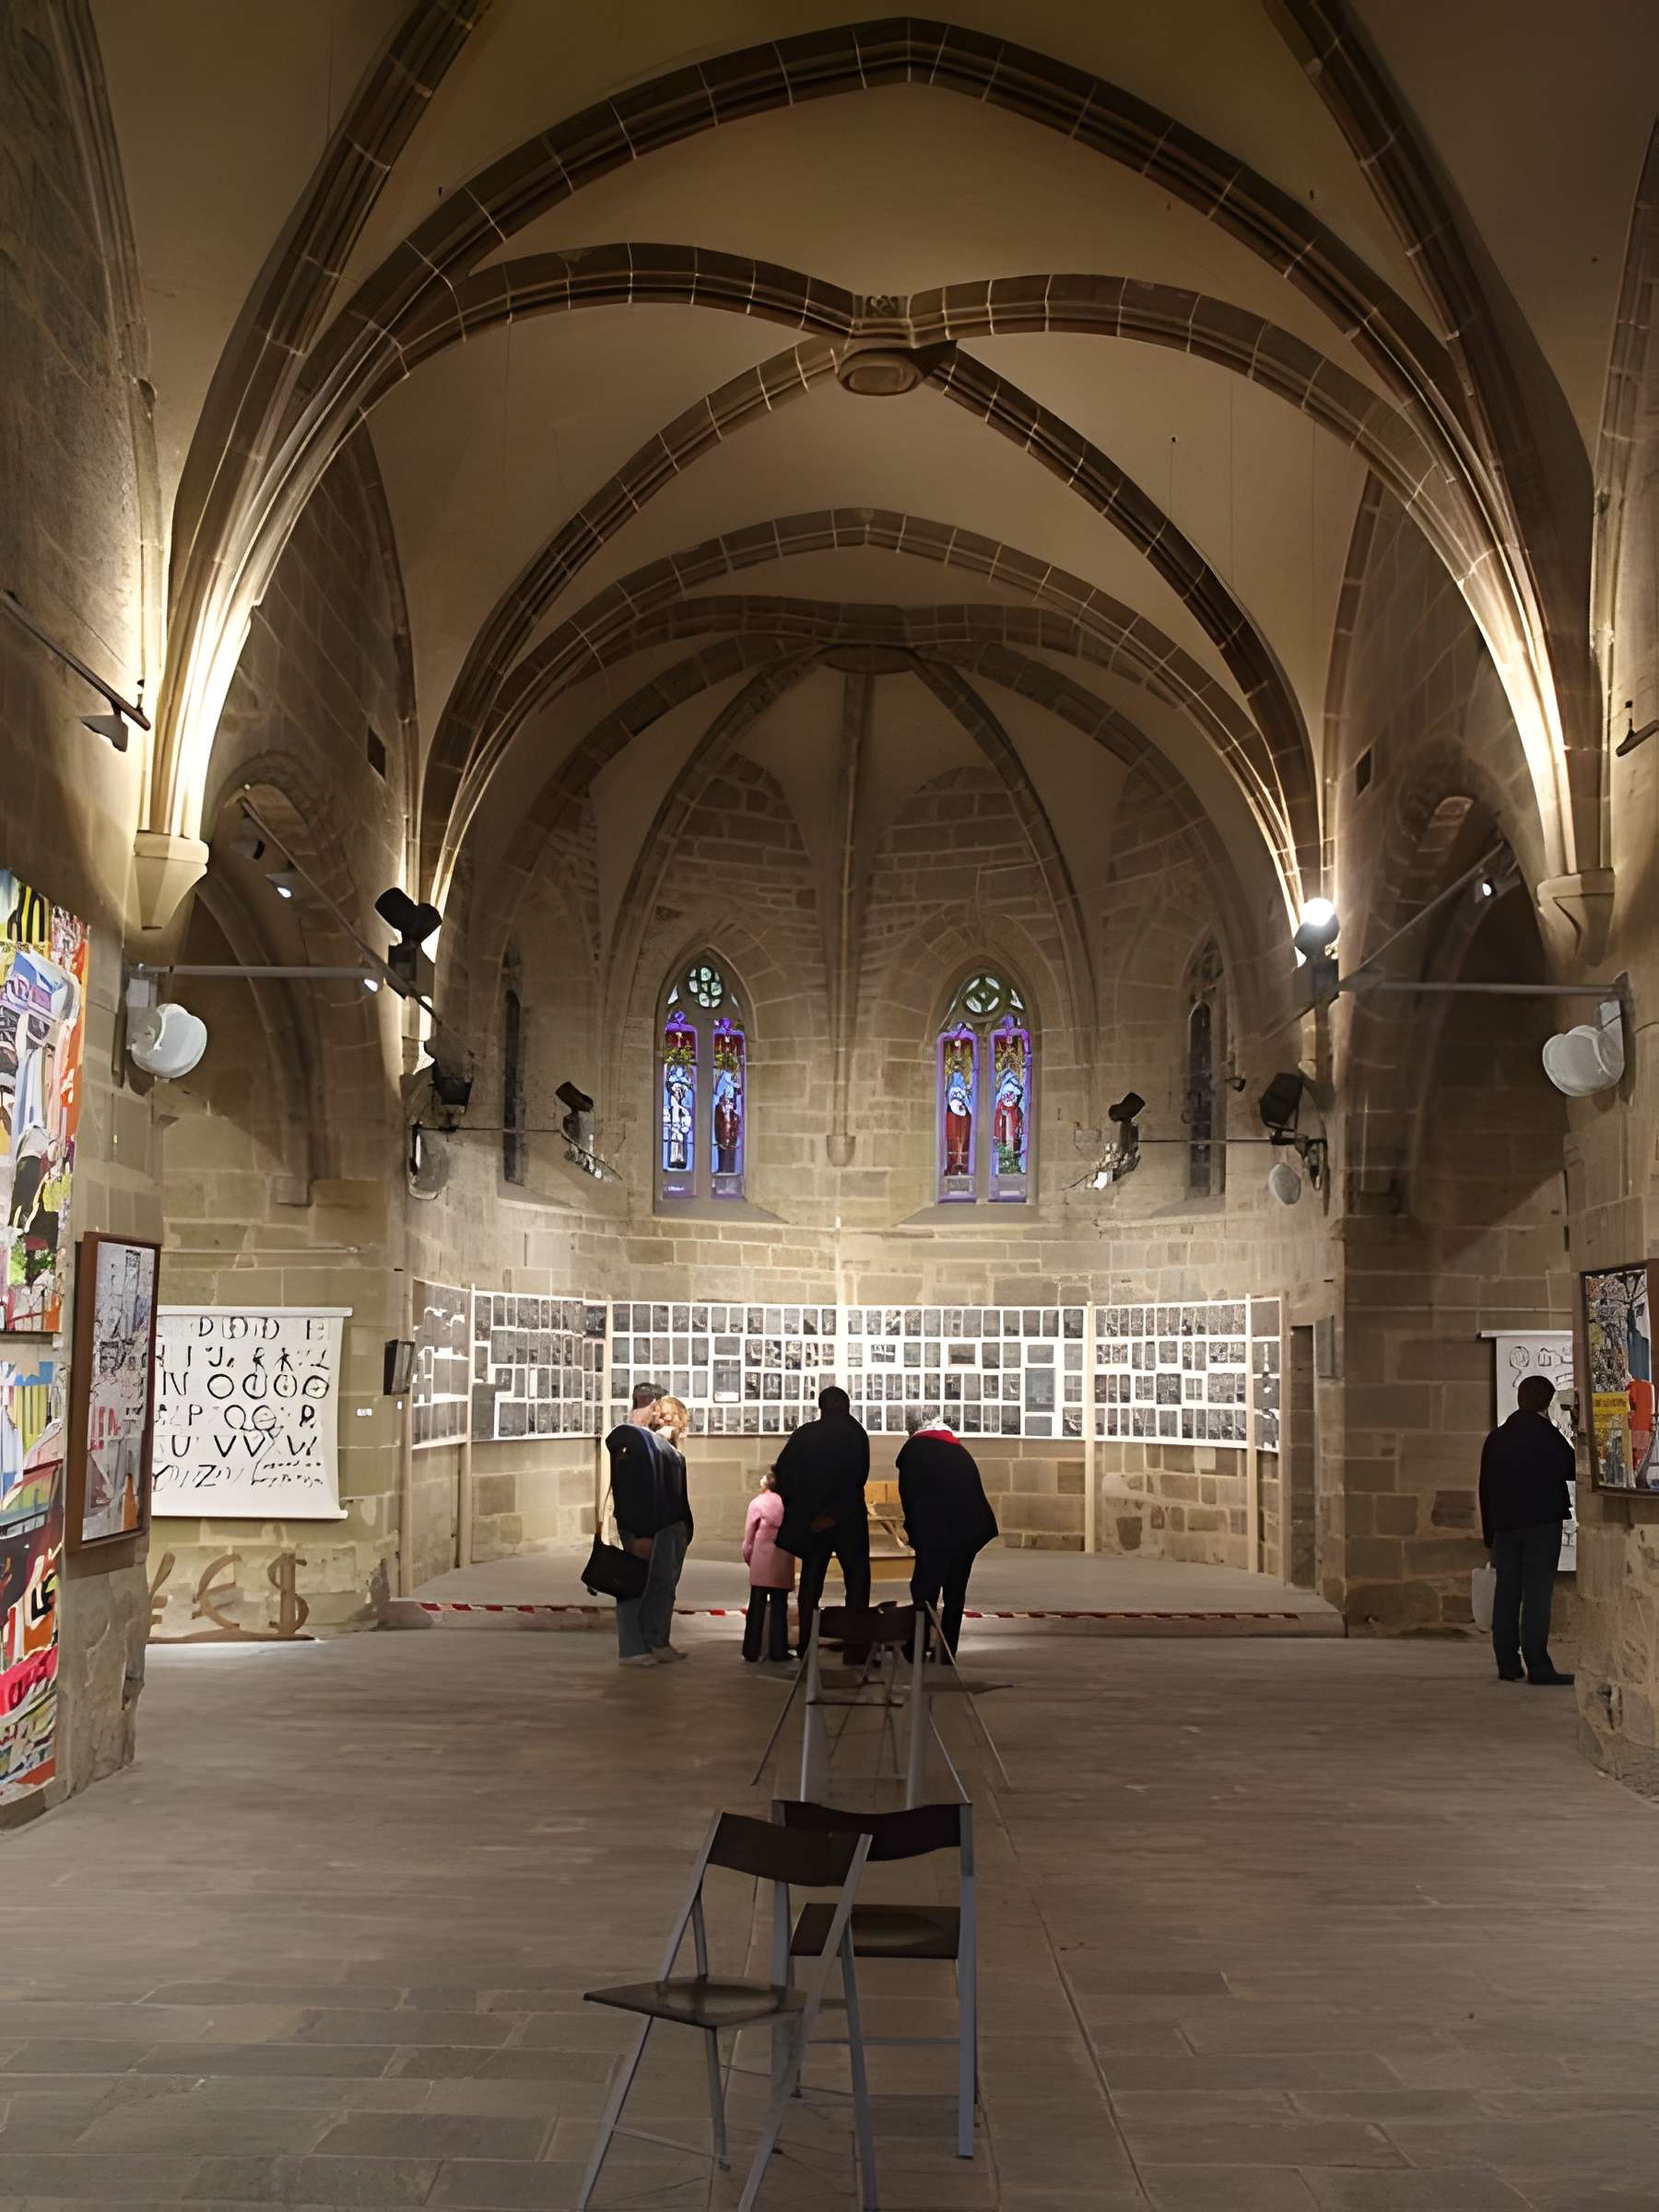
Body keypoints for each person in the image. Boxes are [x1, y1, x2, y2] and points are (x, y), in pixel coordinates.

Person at [1478, 1373, 1576, 1687]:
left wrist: (1489, 1533)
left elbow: (1485, 1487)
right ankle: (1538, 1665)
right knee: (1536, 1594)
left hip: (1505, 1526)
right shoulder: (1546, 1435)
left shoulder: (1497, 1437)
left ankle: (1507, 1664)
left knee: (1506, 1593)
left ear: (1520, 1398)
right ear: (1546, 1403)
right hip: (1541, 1524)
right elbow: (1571, 1467)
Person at [773, 1385, 870, 1655]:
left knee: (811, 1581)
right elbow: (857, 1478)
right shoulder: (856, 1434)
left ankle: (807, 1643)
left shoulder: (805, 1434)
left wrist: (804, 1512)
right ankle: (856, 1648)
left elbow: (783, 1473)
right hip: (848, 1518)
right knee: (857, 1580)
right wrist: (836, 1514)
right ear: (847, 1406)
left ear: (821, 1407)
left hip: (814, 1521)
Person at [897, 1406, 999, 1655]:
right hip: (970, 1528)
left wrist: (914, 1533)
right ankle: (946, 1650)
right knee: (955, 1589)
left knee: (923, 1588)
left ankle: (917, 1647)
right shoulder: (957, 1448)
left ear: (912, 1429)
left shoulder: (914, 1450)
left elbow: (910, 1496)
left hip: (938, 1528)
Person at [606, 1382, 693, 1667]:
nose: (662, 1417)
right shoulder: (632, 1439)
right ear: (653, 1406)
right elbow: (633, 1491)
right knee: (634, 1586)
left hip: (665, 1526)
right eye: (660, 1409)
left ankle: (654, 1640)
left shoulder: (650, 1441)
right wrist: (641, 1533)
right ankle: (635, 1648)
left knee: (659, 1587)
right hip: (647, 1528)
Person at [741, 1465, 794, 1665]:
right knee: (780, 1607)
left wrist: (749, 1558)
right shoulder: (788, 1504)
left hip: (761, 1561)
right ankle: (778, 1650)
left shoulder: (758, 1503)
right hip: (783, 1559)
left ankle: (752, 1650)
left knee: (756, 1606)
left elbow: (749, 1537)